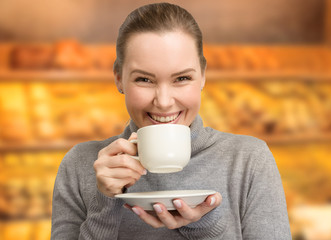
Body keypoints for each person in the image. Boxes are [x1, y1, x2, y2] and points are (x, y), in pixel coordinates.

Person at [51, 3, 291, 239]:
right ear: (118, 79)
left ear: (203, 77)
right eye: (144, 79)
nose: (164, 102)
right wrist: (104, 203)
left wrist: (205, 228)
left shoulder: (249, 160)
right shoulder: (80, 165)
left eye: (182, 78)